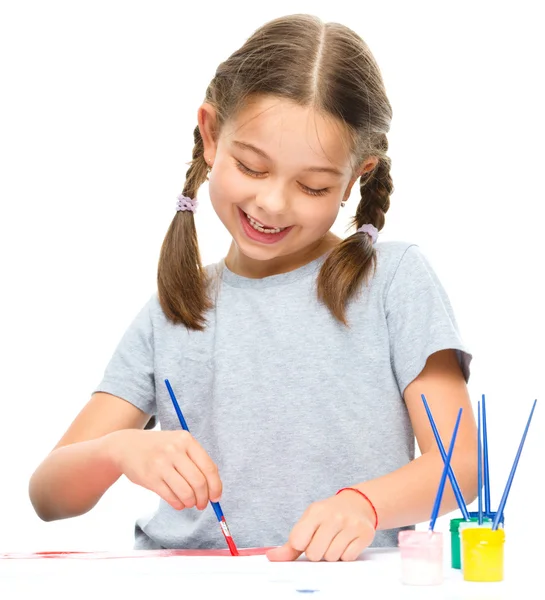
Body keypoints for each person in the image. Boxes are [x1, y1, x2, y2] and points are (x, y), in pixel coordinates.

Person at [29, 13, 478, 562]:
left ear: (355, 178)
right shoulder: (176, 309)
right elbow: (48, 496)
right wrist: (120, 451)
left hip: (340, 583)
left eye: (312, 186)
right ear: (212, 135)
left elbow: (458, 466)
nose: (273, 204)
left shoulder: (395, 281)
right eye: (252, 166)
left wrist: (365, 503)